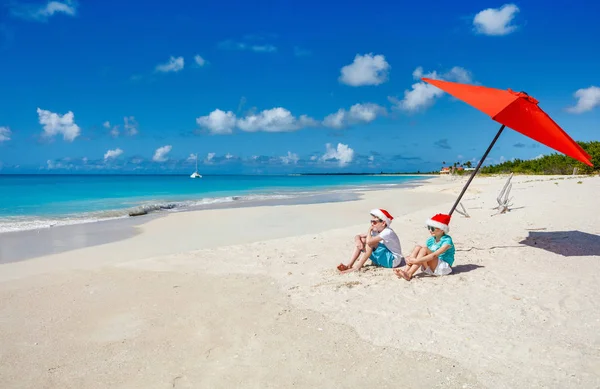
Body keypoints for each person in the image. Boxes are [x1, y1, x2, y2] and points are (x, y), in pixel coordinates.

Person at [337, 209, 405, 273]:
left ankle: (357, 267)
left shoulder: (387, 232)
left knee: (370, 243)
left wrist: (369, 230)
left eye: (374, 222)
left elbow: (369, 242)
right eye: (371, 222)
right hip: (383, 259)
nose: (372, 224)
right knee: (363, 240)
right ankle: (349, 265)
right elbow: (358, 236)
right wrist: (358, 241)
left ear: (383, 223)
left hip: (393, 261)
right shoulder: (377, 231)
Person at [394, 213, 455, 281]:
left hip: (443, 268)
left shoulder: (447, 241)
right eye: (429, 227)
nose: (430, 230)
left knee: (424, 249)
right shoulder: (431, 240)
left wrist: (416, 260)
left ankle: (409, 274)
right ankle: (405, 271)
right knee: (418, 247)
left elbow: (434, 255)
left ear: (442, 229)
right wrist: (410, 258)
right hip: (430, 267)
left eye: (432, 228)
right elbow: (425, 253)